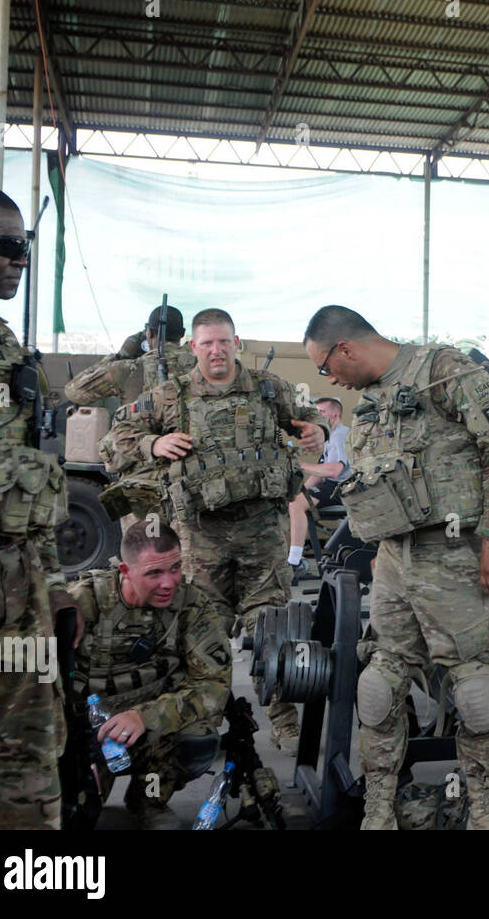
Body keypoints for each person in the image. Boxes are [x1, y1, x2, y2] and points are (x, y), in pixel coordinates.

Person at [302, 305, 489, 830]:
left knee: (475, 693)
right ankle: (379, 807)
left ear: (346, 349)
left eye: (326, 368)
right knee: (378, 684)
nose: (330, 380)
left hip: (457, 556)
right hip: (397, 561)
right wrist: (383, 545)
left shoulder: (444, 371)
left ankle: (483, 809)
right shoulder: (374, 402)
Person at [100, 307, 327, 753]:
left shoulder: (269, 388)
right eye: (207, 343)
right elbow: (114, 440)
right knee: (203, 634)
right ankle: (199, 723)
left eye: (224, 341)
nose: (217, 351)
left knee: (273, 631)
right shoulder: (169, 396)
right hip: (201, 538)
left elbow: (309, 417)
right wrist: (153, 443)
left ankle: (284, 721)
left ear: (237, 343)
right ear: (193, 347)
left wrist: (315, 430)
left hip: (263, 534)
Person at [0, 182, 72, 829]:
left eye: (25, 246)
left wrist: (52, 584)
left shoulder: (9, 348)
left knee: (23, 770)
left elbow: (31, 478)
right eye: (4, 245)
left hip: (14, 588)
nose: (19, 259)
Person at [63, 524, 232, 829]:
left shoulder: (191, 605)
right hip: (87, 736)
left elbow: (213, 685)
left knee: (198, 736)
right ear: (126, 570)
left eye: (175, 568)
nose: (168, 583)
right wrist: (70, 746)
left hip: (149, 731)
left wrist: (146, 717)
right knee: (74, 816)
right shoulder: (83, 604)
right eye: (154, 573)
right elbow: (40, 686)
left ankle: (148, 798)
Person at [64, 303, 196, 406]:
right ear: (183, 333)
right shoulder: (202, 364)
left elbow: (74, 391)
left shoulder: (131, 368)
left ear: (149, 333)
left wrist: (120, 356)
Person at [286, 396, 351, 577]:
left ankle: (294, 561)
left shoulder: (340, 436)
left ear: (335, 414)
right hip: (332, 486)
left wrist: (299, 465)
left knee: (297, 504)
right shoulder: (330, 436)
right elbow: (318, 475)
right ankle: (291, 554)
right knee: (293, 501)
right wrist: (299, 492)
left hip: (343, 488)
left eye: (322, 413)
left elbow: (333, 471)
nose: (318, 417)